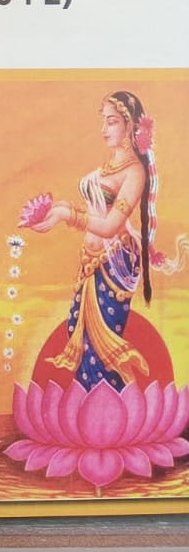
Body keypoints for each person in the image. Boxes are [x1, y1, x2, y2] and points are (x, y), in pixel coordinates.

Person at [25, 91, 167, 390]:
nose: (104, 129)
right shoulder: (108, 168)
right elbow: (93, 211)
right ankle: (91, 406)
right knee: (82, 337)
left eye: (112, 122)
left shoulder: (135, 173)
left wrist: (66, 215)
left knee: (102, 351)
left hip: (114, 264)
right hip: (90, 264)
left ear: (130, 126)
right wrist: (58, 209)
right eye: (103, 121)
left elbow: (111, 225)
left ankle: (108, 408)